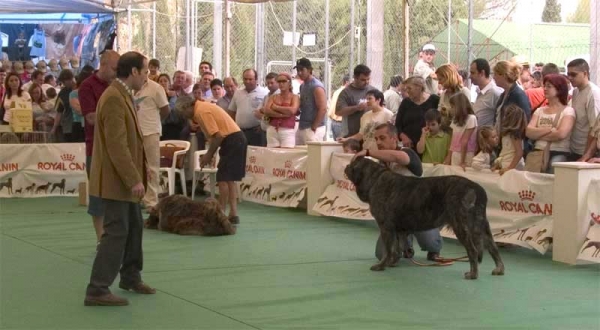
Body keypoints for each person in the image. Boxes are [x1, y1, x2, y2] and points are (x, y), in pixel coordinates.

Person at [84, 51, 155, 307]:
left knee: (135, 227)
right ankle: (97, 288)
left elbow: (129, 141)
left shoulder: (122, 94)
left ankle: (130, 276)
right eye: (145, 71)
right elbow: (117, 145)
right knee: (116, 233)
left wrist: (140, 170)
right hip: (116, 182)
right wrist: (132, 177)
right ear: (134, 72)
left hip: (124, 179)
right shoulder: (114, 97)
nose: (147, 77)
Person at [354, 123, 441, 261]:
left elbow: (398, 157)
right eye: (376, 139)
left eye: (382, 138)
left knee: (430, 243)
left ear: (394, 138)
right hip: (396, 216)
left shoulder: (408, 153)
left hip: (420, 212)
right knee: (381, 254)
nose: (378, 142)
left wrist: (368, 152)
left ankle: (433, 248)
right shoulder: (381, 164)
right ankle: (404, 245)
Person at [175, 95, 247, 224]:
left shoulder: (201, 111)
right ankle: (233, 214)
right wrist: (210, 154)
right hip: (236, 139)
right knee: (229, 179)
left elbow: (218, 136)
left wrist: (208, 155)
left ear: (187, 107)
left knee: (223, 178)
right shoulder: (202, 108)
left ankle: (221, 214)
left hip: (232, 140)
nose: (185, 117)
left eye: (183, 113)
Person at [79, 50, 120, 245]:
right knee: (97, 195)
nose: (116, 72)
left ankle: (115, 237)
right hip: (95, 148)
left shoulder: (119, 85)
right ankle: (101, 239)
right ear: (102, 65)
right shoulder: (87, 86)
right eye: (113, 68)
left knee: (117, 196)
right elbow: (90, 118)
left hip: (118, 147)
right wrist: (115, 116)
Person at [525, 74, 576, 174]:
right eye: (544, 86)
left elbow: (561, 134)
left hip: (559, 152)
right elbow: (528, 132)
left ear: (559, 88)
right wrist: (549, 130)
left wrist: (538, 134)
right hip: (538, 152)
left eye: (549, 86)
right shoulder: (539, 111)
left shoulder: (568, 111)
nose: (545, 89)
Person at [136, 78, 170, 209]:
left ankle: (151, 201)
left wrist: (156, 121)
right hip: (134, 131)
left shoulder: (156, 88)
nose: (145, 73)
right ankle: (137, 198)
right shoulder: (129, 86)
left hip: (151, 131)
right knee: (136, 166)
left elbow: (166, 109)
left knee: (152, 167)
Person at [566, 59, 600, 161]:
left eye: (573, 74)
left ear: (585, 73)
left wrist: (586, 156)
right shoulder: (576, 91)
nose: (570, 78)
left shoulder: (593, 94)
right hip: (574, 149)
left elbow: (594, 130)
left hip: (585, 152)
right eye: (568, 74)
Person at [394, 76, 440, 149]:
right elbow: (398, 125)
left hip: (429, 145)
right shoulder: (405, 102)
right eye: (406, 89)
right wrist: (403, 136)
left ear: (419, 87)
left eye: (409, 88)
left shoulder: (434, 100)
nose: (407, 91)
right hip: (409, 146)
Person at [228, 68, 268, 146]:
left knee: (256, 156)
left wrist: (262, 125)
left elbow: (267, 113)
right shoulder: (238, 93)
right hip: (240, 132)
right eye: (245, 79)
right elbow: (231, 111)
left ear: (256, 79)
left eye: (250, 79)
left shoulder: (264, 93)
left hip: (257, 132)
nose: (247, 81)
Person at [493, 61, 532, 137]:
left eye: (495, 74)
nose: (494, 78)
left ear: (503, 75)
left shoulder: (518, 95)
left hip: (514, 141)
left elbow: (525, 118)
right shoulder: (503, 95)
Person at [336, 65, 375, 137]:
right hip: (351, 134)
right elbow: (338, 111)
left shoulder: (373, 91)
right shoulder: (346, 92)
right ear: (355, 78)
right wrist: (357, 108)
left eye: (368, 79)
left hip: (370, 134)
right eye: (363, 80)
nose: (366, 82)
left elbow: (382, 106)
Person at [295, 58, 327, 144]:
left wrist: (314, 127)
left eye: (302, 69)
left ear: (309, 70)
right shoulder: (302, 86)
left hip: (314, 128)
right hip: (303, 126)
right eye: (298, 70)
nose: (299, 72)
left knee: (313, 155)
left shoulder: (316, 86)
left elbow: (323, 109)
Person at [263, 72, 299, 148]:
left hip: (287, 130)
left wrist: (276, 107)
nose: (281, 84)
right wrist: (283, 114)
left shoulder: (294, 97)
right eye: (279, 81)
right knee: (272, 155)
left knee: (287, 156)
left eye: (284, 81)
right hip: (272, 129)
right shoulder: (273, 97)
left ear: (289, 83)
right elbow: (267, 110)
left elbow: (292, 110)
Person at [443, 93, 477, 170]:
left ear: (459, 106)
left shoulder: (471, 118)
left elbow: (465, 141)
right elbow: (453, 142)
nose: (451, 109)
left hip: (467, 154)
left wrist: (462, 161)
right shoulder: (455, 120)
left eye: (452, 107)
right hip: (455, 154)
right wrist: (448, 157)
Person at [492, 104, 527, 174]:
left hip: (512, 165)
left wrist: (510, 168)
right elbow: (505, 151)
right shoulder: (507, 134)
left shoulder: (514, 134)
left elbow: (519, 153)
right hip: (506, 162)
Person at [435, 64, 472, 130]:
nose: (439, 83)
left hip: (459, 132)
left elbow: (467, 116)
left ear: (448, 77)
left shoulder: (463, 92)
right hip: (445, 132)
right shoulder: (444, 94)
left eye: (440, 79)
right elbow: (439, 113)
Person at [469, 58, 502, 128]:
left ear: (482, 73)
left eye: (473, 73)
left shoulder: (495, 93)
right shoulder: (479, 91)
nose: (470, 76)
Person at [328, 74, 350, 140]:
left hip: (334, 122)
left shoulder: (337, 91)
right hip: (340, 123)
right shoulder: (345, 93)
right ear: (347, 82)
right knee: (341, 146)